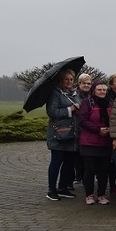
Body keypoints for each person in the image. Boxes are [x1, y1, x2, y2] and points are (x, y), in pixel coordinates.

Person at [45, 68, 81, 200]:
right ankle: (51, 189)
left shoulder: (74, 93)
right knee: (56, 161)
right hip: (59, 134)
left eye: (71, 79)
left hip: (73, 134)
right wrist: (69, 110)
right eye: (66, 79)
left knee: (69, 162)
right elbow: (52, 112)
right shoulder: (55, 93)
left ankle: (63, 187)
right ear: (60, 80)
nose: (69, 82)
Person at [78, 81, 112, 205]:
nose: (102, 92)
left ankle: (102, 194)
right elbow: (82, 120)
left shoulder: (110, 103)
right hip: (89, 142)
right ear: (94, 91)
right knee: (90, 170)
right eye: (99, 90)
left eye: (104, 89)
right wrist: (97, 130)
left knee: (104, 170)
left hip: (105, 142)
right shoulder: (87, 103)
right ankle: (89, 194)